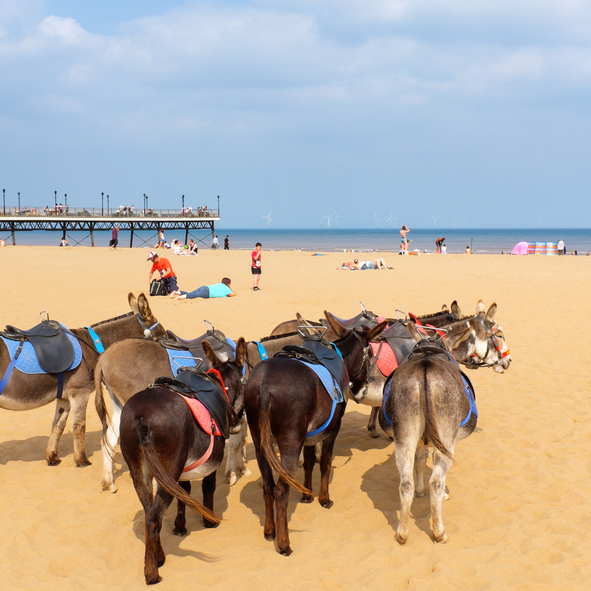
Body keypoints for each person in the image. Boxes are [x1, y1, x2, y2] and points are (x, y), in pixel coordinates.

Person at [170, 277, 236, 300]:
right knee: (193, 295)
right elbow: (233, 294)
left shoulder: (220, 284)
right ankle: (180, 297)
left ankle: (177, 292)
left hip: (205, 287)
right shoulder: (227, 289)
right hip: (207, 293)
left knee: (193, 293)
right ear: (228, 283)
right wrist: (230, 287)